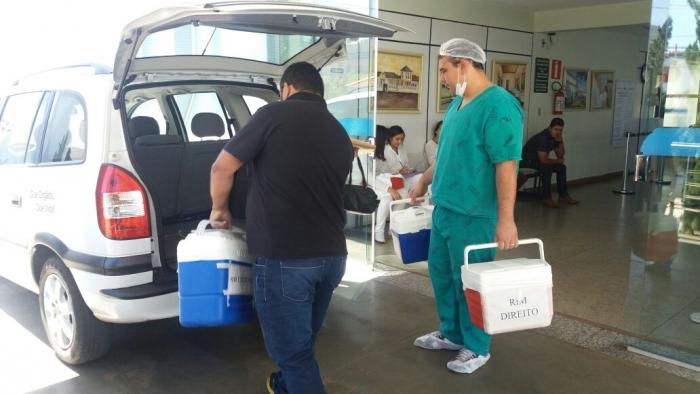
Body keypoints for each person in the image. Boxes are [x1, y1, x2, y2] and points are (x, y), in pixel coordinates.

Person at [209, 62, 352, 394]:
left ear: (287, 88)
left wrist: (220, 209)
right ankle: (286, 384)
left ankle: (295, 381)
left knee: (294, 353)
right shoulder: (338, 130)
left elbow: (221, 167)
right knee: (301, 342)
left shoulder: (272, 115)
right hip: (333, 257)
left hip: (287, 259)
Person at [408, 38, 522, 374]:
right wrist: (424, 180)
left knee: (472, 283)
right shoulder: (458, 105)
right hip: (445, 210)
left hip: (474, 215)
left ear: (464, 64)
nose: (442, 77)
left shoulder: (499, 105)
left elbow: (506, 166)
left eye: (444, 69)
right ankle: (453, 333)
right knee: (443, 276)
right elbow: (446, 155)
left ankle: (476, 347)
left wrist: (506, 220)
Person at [374, 125, 419, 243]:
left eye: (401, 139)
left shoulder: (382, 151)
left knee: (403, 193)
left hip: (391, 180)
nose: (399, 142)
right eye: (397, 139)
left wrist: (406, 170)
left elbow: (403, 165)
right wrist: (396, 175)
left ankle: (393, 228)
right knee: (388, 197)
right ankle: (379, 231)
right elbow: (375, 176)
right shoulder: (380, 151)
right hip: (379, 183)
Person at [521, 118, 579, 208]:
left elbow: (560, 155)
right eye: (556, 129)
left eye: (560, 130)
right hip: (527, 162)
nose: (558, 132)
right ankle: (546, 198)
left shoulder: (555, 138)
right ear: (550, 128)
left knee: (561, 167)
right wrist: (557, 161)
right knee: (547, 169)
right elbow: (543, 160)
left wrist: (560, 141)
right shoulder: (543, 138)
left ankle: (563, 196)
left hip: (538, 161)